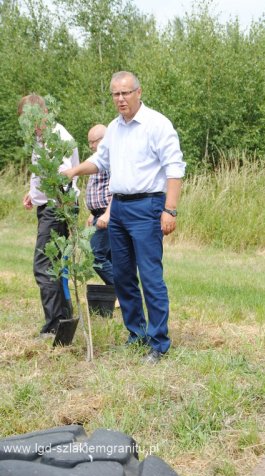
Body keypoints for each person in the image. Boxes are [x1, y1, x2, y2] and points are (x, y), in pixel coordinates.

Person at [62, 71, 186, 363]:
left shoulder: (157, 124)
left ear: (139, 92)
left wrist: (170, 210)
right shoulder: (114, 129)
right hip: (118, 208)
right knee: (122, 275)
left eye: (126, 93)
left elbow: (174, 168)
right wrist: (73, 171)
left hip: (148, 207)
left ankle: (159, 342)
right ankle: (137, 334)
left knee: (151, 276)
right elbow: (100, 161)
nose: (120, 99)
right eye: (115, 94)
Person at [18, 94, 80, 337]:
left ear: (38, 115)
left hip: (58, 206)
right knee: (55, 265)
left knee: (44, 265)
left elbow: (64, 175)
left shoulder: (56, 138)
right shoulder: (40, 137)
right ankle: (63, 317)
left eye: (26, 119)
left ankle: (54, 326)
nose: (24, 125)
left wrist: (64, 212)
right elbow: (46, 175)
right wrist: (33, 194)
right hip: (50, 204)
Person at [86, 124, 114, 286]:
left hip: (107, 214)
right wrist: (93, 212)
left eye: (93, 142)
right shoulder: (97, 160)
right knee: (110, 256)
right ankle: (118, 296)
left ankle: (121, 290)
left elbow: (116, 190)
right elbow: (99, 188)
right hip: (99, 213)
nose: (91, 146)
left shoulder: (109, 159)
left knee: (96, 254)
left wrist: (106, 213)